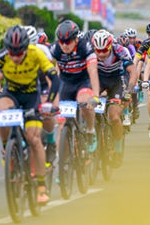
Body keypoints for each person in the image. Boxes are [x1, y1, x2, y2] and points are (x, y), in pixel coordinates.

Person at [0, 25, 60, 205]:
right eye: (12, 52)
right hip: (11, 94)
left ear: (26, 47)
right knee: (0, 112)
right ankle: (8, 148)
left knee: (34, 139)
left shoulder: (36, 53)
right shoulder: (2, 57)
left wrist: (49, 103)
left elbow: (54, 78)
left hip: (31, 96)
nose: (15, 57)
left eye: (19, 52)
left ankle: (41, 186)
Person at [50, 20, 100, 151]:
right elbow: (49, 72)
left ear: (75, 39)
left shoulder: (85, 47)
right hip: (66, 83)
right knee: (62, 126)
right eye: (61, 41)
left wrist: (95, 96)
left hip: (83, 81)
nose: (64, 45)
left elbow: (93, 71)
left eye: (68, 42)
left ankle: (90, 129)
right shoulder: (56, 49)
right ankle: (63, 166)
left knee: (85, 104)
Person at [91, 30, 137, 165]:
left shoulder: (120, 51)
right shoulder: (90, 52)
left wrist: (129, 90)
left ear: (110, 46)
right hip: (99, 79)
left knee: (114, 116)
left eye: (104, 50)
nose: (100, 54)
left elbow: (133, 72)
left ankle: (117, 147)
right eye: (97, 50)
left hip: (117, 80)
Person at [24, 25, 58, 164]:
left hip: (43, 81)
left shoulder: (43, 51)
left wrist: (51, 101)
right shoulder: (12, 52)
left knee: (46, 112)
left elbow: (51, 77)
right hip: (25, 84)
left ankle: (50, 141)